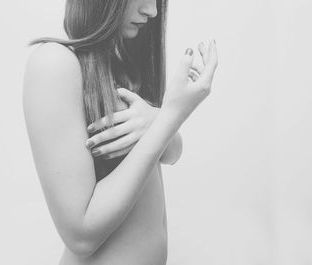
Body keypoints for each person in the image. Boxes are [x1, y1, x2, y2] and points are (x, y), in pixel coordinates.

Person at [22, 0, 218, 264]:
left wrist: (158, 120)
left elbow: (172, 152)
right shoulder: (54, 63)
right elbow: (81, 236)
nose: (153, 11)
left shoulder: (121, 66)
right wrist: (170, 115)